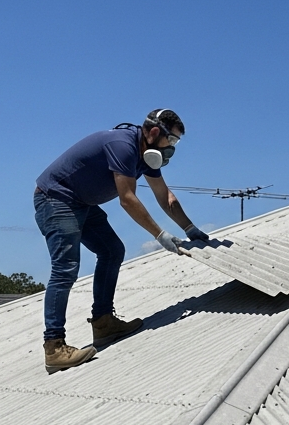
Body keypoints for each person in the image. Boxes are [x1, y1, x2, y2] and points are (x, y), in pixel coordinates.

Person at [33, 108, 208, 370]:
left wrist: (190, 228)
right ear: (154, 132)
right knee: (65, 269)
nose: (172, 148)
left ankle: (103, 323)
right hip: (56, 199)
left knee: (112, 250)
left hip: (82, 203)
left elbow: (165, 197)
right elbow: (127, 199)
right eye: (171, 141)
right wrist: (160, 235)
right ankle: (54, 347)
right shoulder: (123, 145)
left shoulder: (145, 157)